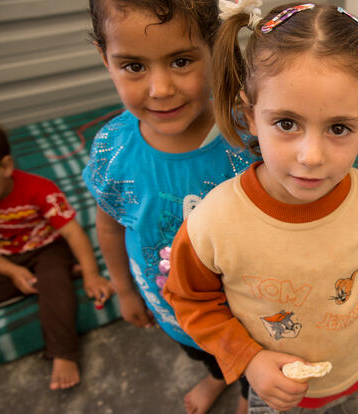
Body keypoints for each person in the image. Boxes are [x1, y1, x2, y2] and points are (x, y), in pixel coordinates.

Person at [163, 2, 358, 412]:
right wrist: (249, 360)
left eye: (339, 128)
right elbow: (191, 300)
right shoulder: (214, 224)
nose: (311, 156)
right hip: (277, 391)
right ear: (250, 115)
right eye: (287, 123)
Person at [83, 0, 255, 412]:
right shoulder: (112, 150)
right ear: (104, 57)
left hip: (247, 311)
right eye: (134, 66)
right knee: (202, 353)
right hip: (169, 307)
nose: (160, 89)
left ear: (215, 46)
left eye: (181, 61)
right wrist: (124, 290)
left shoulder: (249, 140)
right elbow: (109, 226)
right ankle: (217, 377)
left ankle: (253, 396)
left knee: (252, 360)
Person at [0, 118, 114, 391]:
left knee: (55, 286)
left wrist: (93, 275)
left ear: (6, 167)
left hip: (47, 249)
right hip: (4, 256)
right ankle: (53, 278)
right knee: (47, 282)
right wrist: (12, 271)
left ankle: (63, 352)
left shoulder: (40, 190)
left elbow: (73, 234)